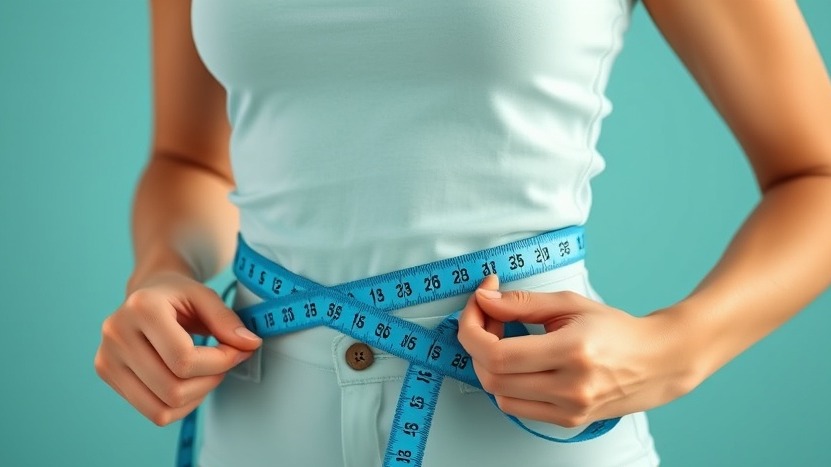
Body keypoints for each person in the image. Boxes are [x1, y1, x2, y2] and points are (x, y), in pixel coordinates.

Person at [94, 0, 831, 466]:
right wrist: (161, 269)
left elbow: (816, 173)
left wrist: (679, 347)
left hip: (520, 424)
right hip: (253, 426)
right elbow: (186, 159)